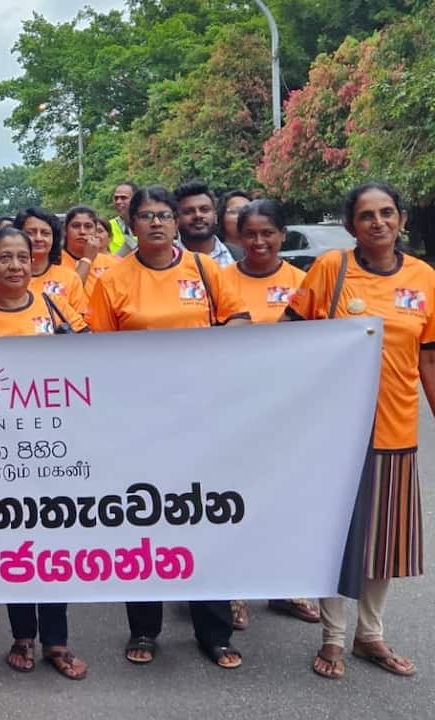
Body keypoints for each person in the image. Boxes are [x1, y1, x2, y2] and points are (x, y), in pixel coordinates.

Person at [88, 186, 249, 669]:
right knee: (143, 521)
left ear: (177, 223)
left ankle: (214, 631)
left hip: (202, 420)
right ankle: (143, 628)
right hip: (139, 425)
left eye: (164, 215)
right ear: (131, 225)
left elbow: (238, 321)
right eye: (145, 216)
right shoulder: (112, 280)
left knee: (205, 520)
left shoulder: (205, 271)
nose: (156, 223)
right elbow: (96, 354)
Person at [284, 182, 435, 680]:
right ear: (351, 226)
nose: (378, 222)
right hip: (335, 433)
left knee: (385, 542)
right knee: (336, 537)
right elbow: (290, 335)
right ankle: (332, 639)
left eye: (387, 213)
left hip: (395, 430)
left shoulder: (424, 278)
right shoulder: (333, 270)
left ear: (402, 219)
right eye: (367, 215)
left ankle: (370, 635)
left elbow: (428, 358)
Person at [0, 226, 90, 680]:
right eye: (5, 258)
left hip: (55, 450)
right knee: (17, 544)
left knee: (54, 542)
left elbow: (91, 364)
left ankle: (57, 640)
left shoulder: (57, 309)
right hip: (0, 455)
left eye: (22, 257)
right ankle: (21, 636)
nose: (15, 266)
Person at [220, 198, 316, 630]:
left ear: (282, 235)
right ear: (238, 237)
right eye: (250, 233)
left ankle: (286, 584)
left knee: (284, 498)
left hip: (287, 411)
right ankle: (234, 590)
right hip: (231, 409)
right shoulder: (219, 281)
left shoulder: (303, 281)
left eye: (268, 232)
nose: (259, 241)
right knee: (231, 499)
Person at [17, 207, 89, 316]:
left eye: (45, 233)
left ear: (54, 238)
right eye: (31, 233)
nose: (38, 238)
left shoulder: (70, 278)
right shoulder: (8, 277)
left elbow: (79, 324)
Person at [175, 181, 242, 267]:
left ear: (215, 216)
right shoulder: (165, 258)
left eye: (205, 210)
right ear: (176, 219)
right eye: (188, 211)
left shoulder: (240, 256)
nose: (198, 215)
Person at [60, 205, 119, 294]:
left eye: (88, 226)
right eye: (76, 226)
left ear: (95, 231)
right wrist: (87, 259)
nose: (82, 231)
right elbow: (71, 293)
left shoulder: (112, 264)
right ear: (65, 230)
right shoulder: (54, 262)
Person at [110, 182, 137, 256]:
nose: (118, 202)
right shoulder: (107, 227)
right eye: (116, 198)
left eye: (123, 198)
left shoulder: (148, 225)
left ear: (136, 200)